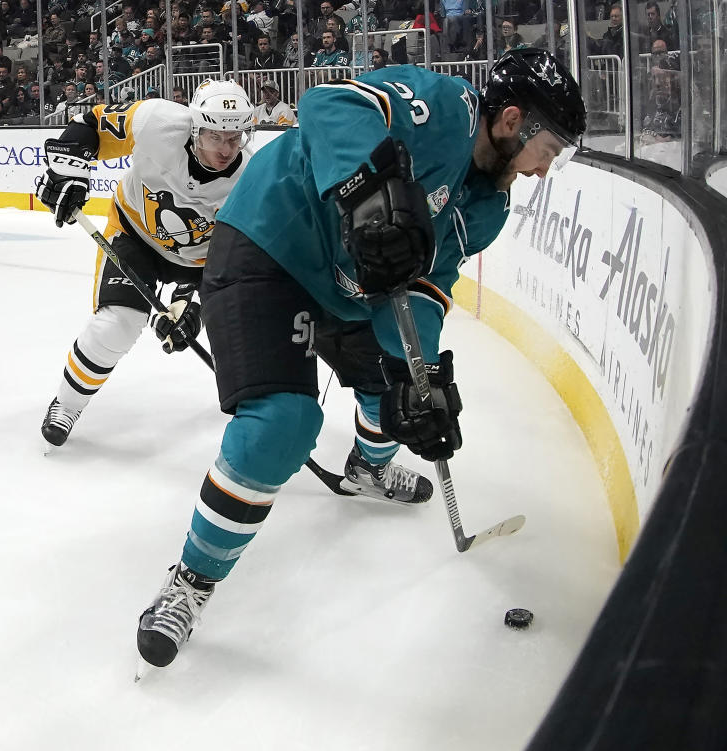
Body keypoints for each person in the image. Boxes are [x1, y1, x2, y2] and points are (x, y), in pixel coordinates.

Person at [133, 48, 587, 671]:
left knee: (392, 396)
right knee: (283, 424)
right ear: (513, 120)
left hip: (350, 292)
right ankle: (190, 582)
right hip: (270, 243)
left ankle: (367, 471)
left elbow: (429, 283)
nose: (542, 171)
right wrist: (370, 187)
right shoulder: (445, 108)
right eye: (550, 150)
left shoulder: (489, 205)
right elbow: (329, 104)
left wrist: (418, 374)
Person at [34, 80, 256, 448]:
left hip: (200, 261)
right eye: (216, 136)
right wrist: (67, 171)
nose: (226, 149)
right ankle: (67, 404)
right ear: (195, 128)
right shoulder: (157, 121)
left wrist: (191, 301)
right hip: (133, 232)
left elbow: (236, 255)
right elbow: (89, 125)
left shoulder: (252, 177)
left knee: (239, 331)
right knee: (118, 324)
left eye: (235, 137)